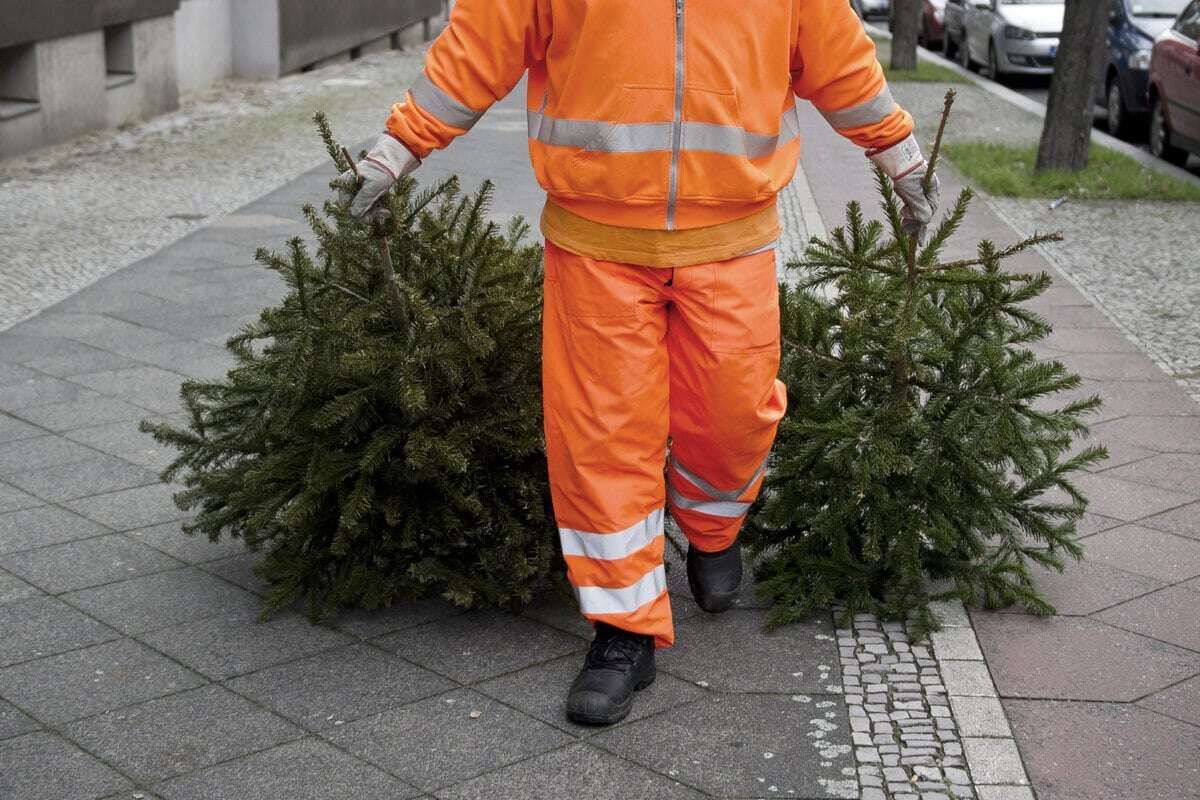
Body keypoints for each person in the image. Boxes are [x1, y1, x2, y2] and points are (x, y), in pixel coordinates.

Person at [338, 0, 938, 727]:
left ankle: (713, 530)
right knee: (602, 441)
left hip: (733, 237)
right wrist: (399, 146)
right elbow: (481, 42)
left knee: (735, 417)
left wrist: (898, 151)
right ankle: (623, 629)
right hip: (596, 243)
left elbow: (837, 56)